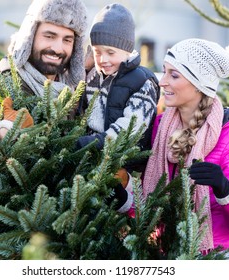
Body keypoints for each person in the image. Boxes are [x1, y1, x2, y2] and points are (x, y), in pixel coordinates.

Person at [133, 38, 229, 259]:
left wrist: (224, 188)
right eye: (164, 72)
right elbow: (152, 201)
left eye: (174, 75)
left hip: (221, 257)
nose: (162, 82)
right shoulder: (160, 127)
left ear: (199, 83)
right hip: (170, 253)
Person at [75, 3, 160, 213]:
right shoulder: (91, 76)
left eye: (110, 52)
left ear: (127, 49)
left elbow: (132, 127)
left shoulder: (143, 82)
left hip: (125, 167)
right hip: (91, 158)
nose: (103, 59)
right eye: (97, 52)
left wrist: (92, 143)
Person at [0, 0, 88, 140]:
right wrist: (2, 134)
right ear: (30, 37)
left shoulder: (74, 89)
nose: (58, 48)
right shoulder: (10, 81)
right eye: (49, 36)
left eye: (67, 40)